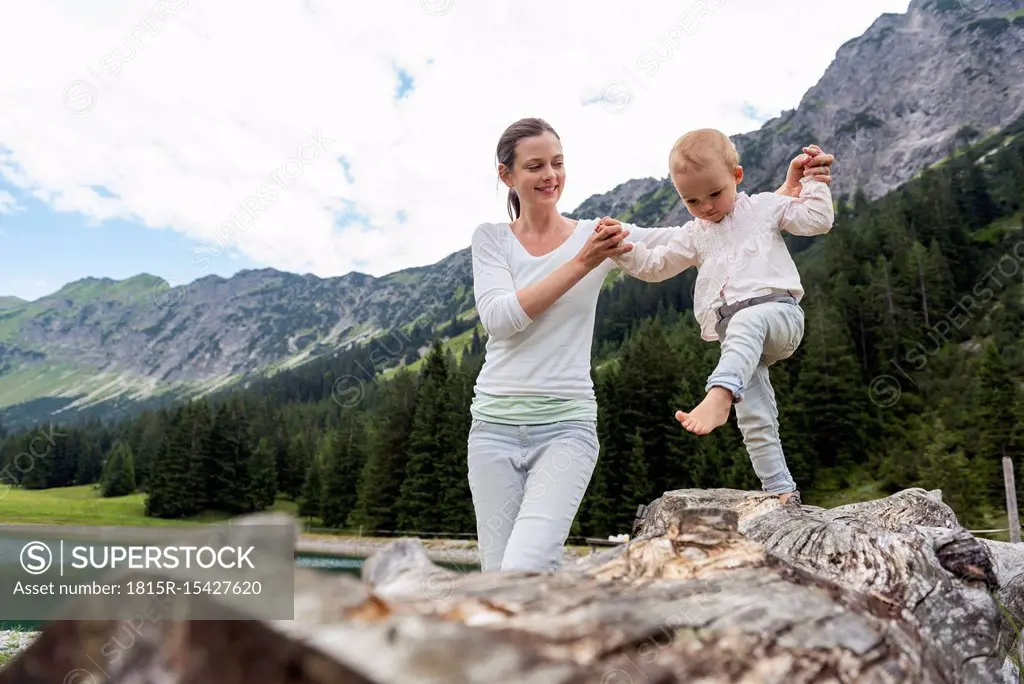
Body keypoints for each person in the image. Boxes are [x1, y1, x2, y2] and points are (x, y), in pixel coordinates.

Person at [468, 117, 833, 572]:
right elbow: (502, 319)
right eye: (535, 166)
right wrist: (594, 257)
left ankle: (720, 393)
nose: (550, 175)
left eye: (557, 163)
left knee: (525, 569)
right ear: (507, 174)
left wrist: (796, 187)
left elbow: (734, 220)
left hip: (567, 425)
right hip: (492, 428)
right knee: (494, 577)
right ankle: (780, 486)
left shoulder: (592, 233)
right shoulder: (494, 239)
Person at [607, 127, 835, 507]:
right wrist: (620, 250)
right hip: (739, 343)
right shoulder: (695, 234)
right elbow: (655, 264)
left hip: (779, 317)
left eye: (714, 193)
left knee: (748, 323)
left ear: (736, 176)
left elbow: (817, 220)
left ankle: (720, 393)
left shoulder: (763, 207)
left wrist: (813, 180)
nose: (706, 206)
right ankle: (781, 491)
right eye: (692, 200)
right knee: (755, 418)